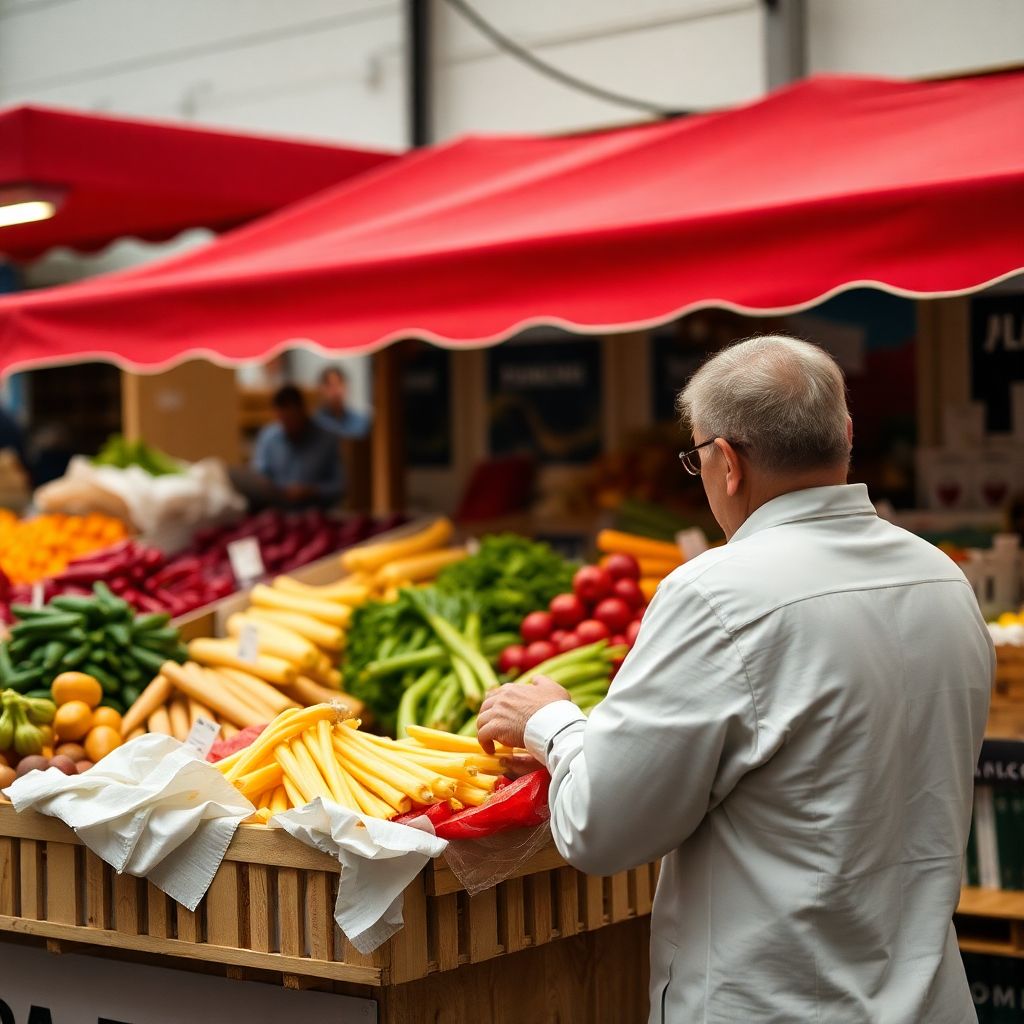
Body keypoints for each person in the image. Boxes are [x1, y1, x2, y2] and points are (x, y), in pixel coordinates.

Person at [477, 335, 993, 1023]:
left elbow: (602, 828)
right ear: (844, 434)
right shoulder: (942, 577)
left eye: (696, 457)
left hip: (778, 1005)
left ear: (726, 462)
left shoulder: (716, 593)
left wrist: (555, 725)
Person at [250, 385, 343, 506]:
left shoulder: (327, 439)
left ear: (302, 411)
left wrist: (311, 491)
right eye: (283, 420)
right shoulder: (268, 438)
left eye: (291, 419)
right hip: (276, 511)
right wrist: (270, 487)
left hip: (317, 512)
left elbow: (340, 486)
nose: (288, 426)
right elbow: (258, 475)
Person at [315, 366, 371, 439]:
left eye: (339, 383)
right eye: (330, 385)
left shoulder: (361, 421)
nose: (336, 390)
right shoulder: (316, 423)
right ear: (321, 388)